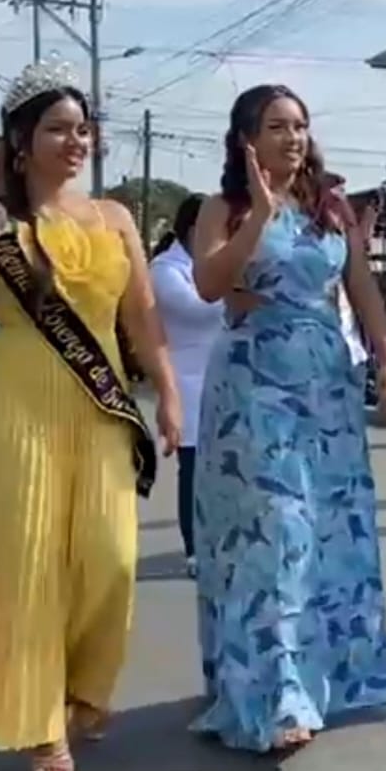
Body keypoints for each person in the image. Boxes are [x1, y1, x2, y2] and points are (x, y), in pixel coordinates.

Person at [0, 59, 183, 771]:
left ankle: (82, 686)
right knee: (30, 564)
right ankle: (42, 722)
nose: (76, 141)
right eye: (57, 129)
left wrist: (169, 394)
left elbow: (142, 316)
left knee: (111, 556)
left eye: (82, 129)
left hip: (101, 400)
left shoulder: (115, 218)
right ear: (21, 140)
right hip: (18, 402)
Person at [190, 84, 386, 751]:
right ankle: (275, 692)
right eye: (277, 126)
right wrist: (256, 217)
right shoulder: (223, 208)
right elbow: (208, 285)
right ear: (247, 138)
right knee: (275, 531)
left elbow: (360, 284)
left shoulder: (328, 207)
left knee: (331, 527)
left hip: (327, 382)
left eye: (300, 125)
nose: (293, 137)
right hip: (254, 382)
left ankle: (334, 673)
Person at [148, 193, 222, 577]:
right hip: (187, 384)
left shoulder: (210, 265)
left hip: (221, 380)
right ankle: (194, 549)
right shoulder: (165, 269)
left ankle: (220, 542)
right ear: (195, 229)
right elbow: (197, 310)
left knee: (223, 472)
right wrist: (240, 294)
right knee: (193, 471)